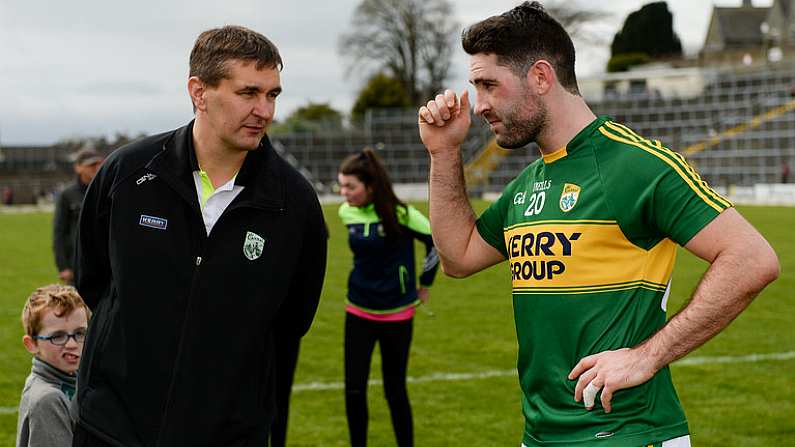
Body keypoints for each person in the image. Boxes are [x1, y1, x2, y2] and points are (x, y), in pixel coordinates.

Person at [417, 2, 780, 446]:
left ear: (541, 77)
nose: (479, 106)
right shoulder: (530, 183)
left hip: (629, 434)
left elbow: (752, 258)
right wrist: (442, 153)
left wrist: (646, 357)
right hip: (542, 435)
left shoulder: (635, 165)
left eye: (489, 85)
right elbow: (459, 256)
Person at [73, 25, 328, 447]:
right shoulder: (128, 173)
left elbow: (292, 319)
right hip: (112, 426)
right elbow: (93, 279)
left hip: (228, 432)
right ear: (199, 91)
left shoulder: (293, 202)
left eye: (273, 95)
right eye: (248, 93)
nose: (264, 111)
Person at [337, 148, 439, 447]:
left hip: (397, 313)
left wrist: (424, 283)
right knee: (353, 390)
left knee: (395, 391)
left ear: (370, 186)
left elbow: (434, 243)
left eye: (350, 187)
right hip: (357, 311)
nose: (344, 193)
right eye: (341, 186)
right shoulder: (346, 213)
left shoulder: (402, 214)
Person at [17, 284, 91, 447]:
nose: (72, 344)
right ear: (32, 344)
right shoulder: (48, 399)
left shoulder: (69, 379)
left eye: (80, 333)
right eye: (57, 336)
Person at [52, 148, 104, 285]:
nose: (97, 168)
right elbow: (59, 232)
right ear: (78, 168)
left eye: (99, 164)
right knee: (79, 305)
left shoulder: (106, 190)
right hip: (77, 264)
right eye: (91, 165)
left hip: (104, 263)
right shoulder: (67, 195)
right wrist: (63, 266)